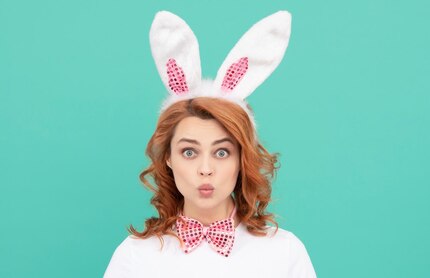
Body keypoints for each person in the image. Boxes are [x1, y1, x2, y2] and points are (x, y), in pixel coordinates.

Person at [103, 10, 316, 277]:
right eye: (189, 151)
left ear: (241, 159)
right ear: (168, 157)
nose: (206, 168)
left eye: (222, 152)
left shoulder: (284, 252)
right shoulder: (136, 256)